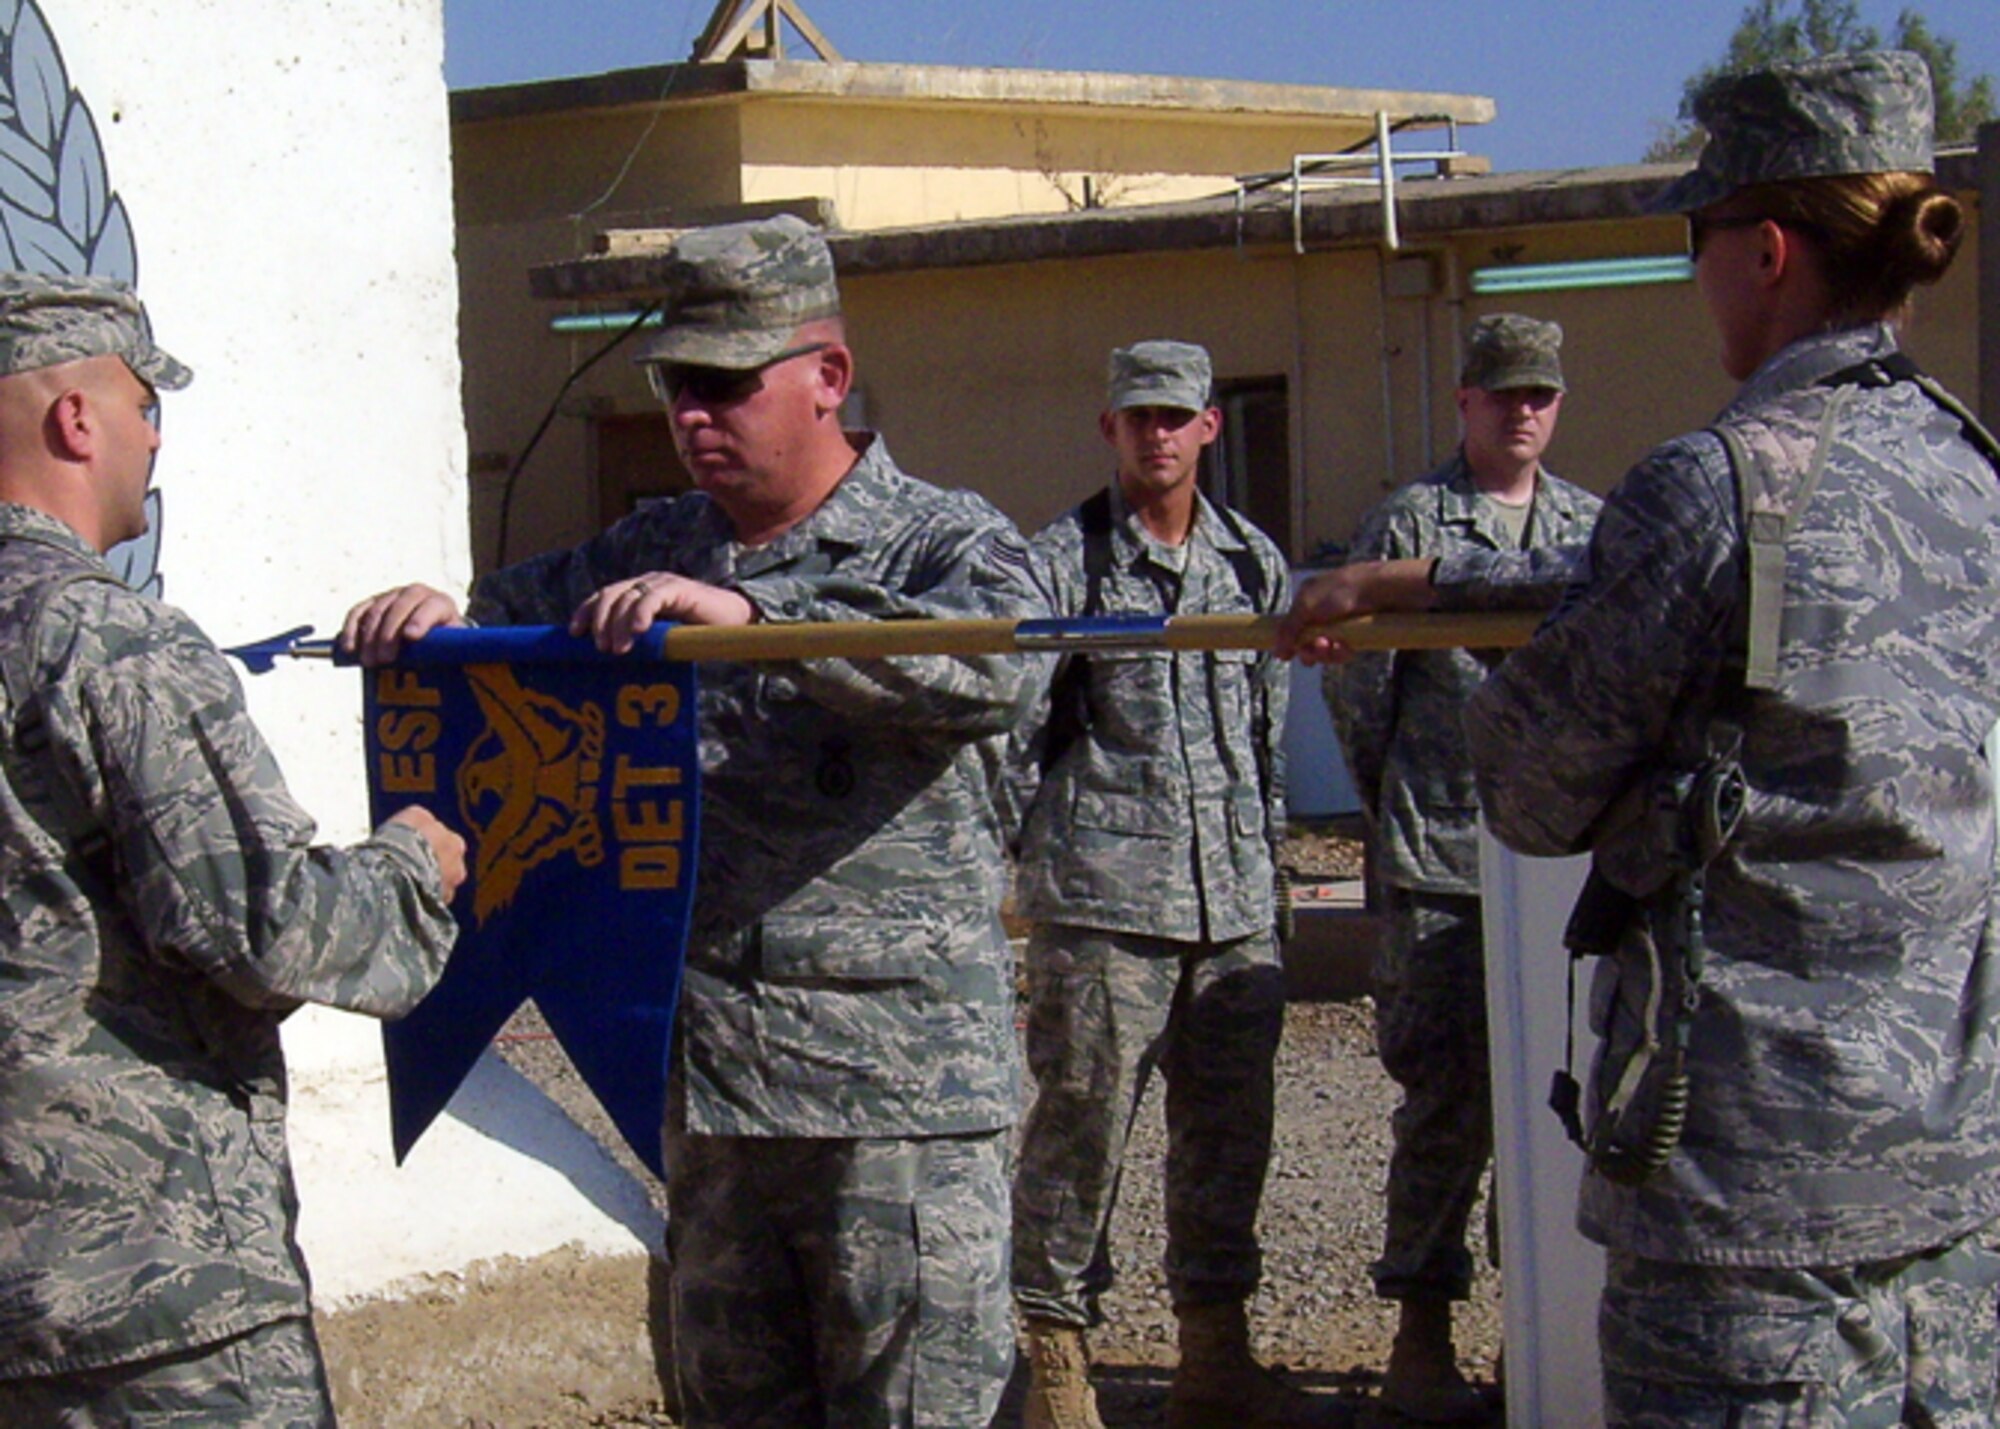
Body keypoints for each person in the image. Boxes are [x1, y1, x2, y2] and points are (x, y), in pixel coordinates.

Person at [1316, 51, 2000, 1424]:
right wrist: (1430, 582)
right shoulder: (1968, 469)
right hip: (1946, 1202)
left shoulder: (1712, 482)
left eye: (1695, 240)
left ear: (1762, 248)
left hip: (1749, 1215)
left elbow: (1526, 785)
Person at [342, 215, 1042, 1429]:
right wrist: (437, 610)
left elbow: (987, 672)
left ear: (826, 378)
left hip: (892, 1101)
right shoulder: (655, 543)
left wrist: (751, 613)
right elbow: (512, 624)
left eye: (726, 384)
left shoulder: (947, 541)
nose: (693, 418)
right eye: (677, 388)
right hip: (709, 1092)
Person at [0, 272, 467, 1424]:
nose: (154, 441)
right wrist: (412, 868)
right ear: (78, 421)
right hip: (148, 1286)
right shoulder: (110, 638)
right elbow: (253, 926)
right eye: (145, 408)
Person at [1008, 340, 1329, 1429]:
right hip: (1104, 903)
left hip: (1232, 901)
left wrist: (1269, 863)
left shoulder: (1250, 562)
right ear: (1108, 428)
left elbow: (1266, 732)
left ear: (1207, 427)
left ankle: (1213, 1352)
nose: (1155, 434)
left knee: (1229, 1134)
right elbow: (1011, 731)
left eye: (1173, 416)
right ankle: (1055, 1354)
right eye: (1135, 415)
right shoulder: (1061, 562)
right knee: (1080, 1132)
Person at [1321, 314, 1599, 1421]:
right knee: (1443, 1108)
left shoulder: (1589, 527)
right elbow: (1359, 707)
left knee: (1561, 1108)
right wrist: (1400, 820)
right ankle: (1421, 1330)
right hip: (1441, 861)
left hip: (1561, 872)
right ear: (1463, 405)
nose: (1520, 412)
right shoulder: (1407, 524)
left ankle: (1532, 1334)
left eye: (1537, 395)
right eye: (1501, 396)